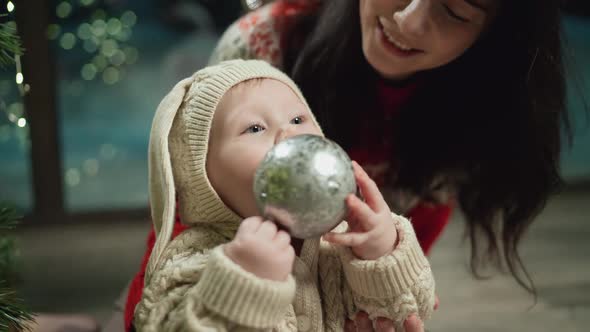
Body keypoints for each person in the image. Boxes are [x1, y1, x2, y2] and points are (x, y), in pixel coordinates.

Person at [126, 0, 571, 330]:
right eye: (257, 129)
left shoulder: (480, 105)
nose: (409, 20)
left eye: (454, 11)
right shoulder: (262, 44)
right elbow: (187, 198)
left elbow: (405, 281)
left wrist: (385, 260)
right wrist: (238, 284)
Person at [133, 59, 435, 332]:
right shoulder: (192, 260)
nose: (288, 135)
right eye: (254, 128)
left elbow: (409, 314)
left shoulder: (345, 241)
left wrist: (382, 252)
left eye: (298, 120)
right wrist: (241, 285)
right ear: (200, 176)